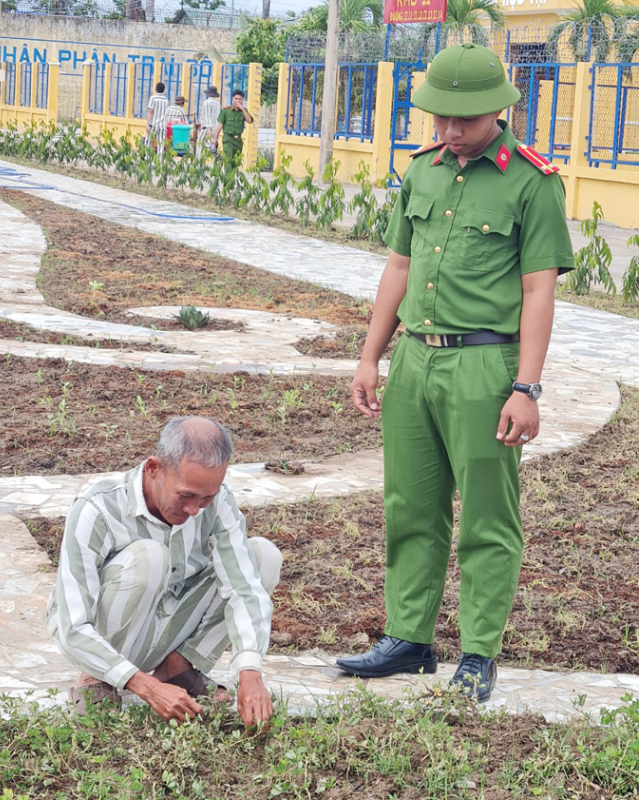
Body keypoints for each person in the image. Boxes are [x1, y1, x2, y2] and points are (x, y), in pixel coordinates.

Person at [336, 43, 574, 702]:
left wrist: (525, 388)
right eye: (439, 117)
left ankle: (478, 653)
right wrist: (370, 355)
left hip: (484, 364)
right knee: (409, 504)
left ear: (498, 110)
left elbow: (538, 290)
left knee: (487, 517)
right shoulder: (423, 171)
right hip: (415, 358)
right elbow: (399, 267)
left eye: (462, 119)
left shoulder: (533, 182)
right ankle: (408, 638)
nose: (449, 130)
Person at [46, 416, 282, 726]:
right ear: (154, 469)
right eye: (185, 496)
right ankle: (95, 679)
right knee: (150, 556)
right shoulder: (97, 508)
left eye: (207, 497)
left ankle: (177, 668)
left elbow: (244, 588)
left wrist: (250, 672)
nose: (194, 510)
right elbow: (71, 625)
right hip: (108, 638)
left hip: (170, 620)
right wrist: (146, 687)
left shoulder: (218, 501)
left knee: (264, 557)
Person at [213, 89, 254, 168]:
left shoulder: (244, 111)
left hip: (238, 140)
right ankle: (228, 176)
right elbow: (220, 125)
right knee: (228, 160)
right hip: (228, 139)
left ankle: (233, 175)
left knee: (236, 162)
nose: (237, 101)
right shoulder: (226, 111)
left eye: (240, 99)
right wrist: (215, 139)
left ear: (242, 100)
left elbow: (249, 121)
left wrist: (242, 109)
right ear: (232, 99)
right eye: (236, 99)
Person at [146, 82, 169, 156]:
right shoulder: (166, 100)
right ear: (163, 90)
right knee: (161, 143)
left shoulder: (153, 98)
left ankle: (147, 158)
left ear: (155, 89)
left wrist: (147, 124)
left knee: (149, 142)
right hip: (162, 125)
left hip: (153, 124)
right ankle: (160, 160)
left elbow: (150, 111)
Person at [198, 85, 221, 157]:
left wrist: (208, 128)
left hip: (207, 127)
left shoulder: (207, 102)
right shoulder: (218, 104)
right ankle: (215, 161)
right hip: (216, 127)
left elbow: (207, 115)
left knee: (200, 143)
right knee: (214, 145)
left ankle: (199, 160)